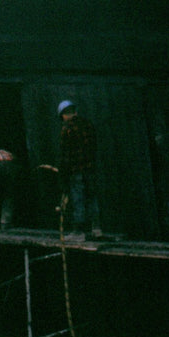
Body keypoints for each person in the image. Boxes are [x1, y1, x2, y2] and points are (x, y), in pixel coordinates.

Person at [57, 100, 101, 239]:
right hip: (90, 169)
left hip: (75, 170)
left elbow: (65, 154)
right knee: (92, 198)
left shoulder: (67, 129)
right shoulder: (88, 125)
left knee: (78, 199)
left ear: (63, 115)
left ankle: (78, 232)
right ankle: (96, 229)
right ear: (75, 111)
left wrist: (64, 172)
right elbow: (93, 147)